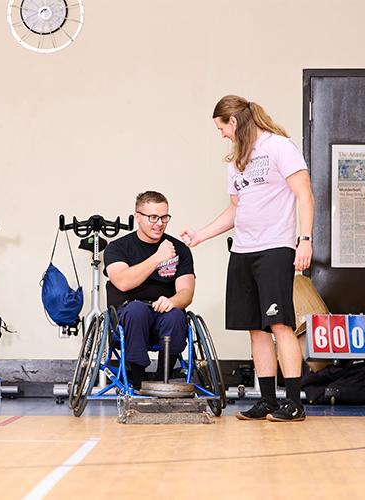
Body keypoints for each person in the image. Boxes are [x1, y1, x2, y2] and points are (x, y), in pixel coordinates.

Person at [180, 95, 314, 422]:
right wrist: (200, 235)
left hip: (274, 248)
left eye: (221, 127)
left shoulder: (281, 147)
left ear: (234, 122)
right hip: (242, 251)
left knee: (280, 325)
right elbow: (235, 210)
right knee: (256, 329)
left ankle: (293, 403)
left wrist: (305, 240)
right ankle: (267, 400)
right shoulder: (237, 160)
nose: (221, 134)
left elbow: (305, 195)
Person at [104, 191, 196, 391]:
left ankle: (163, 380)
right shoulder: (118, 248)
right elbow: (122, 282)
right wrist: (157, 258)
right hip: (128, 314)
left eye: (164, 217)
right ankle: (138, 381)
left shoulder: (179, 249)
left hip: (162, 312)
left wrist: (173, 301)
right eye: (153, 217)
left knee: (175, 315)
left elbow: (186, 292)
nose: (160, 223)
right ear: (137, 216)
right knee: (137, 310)